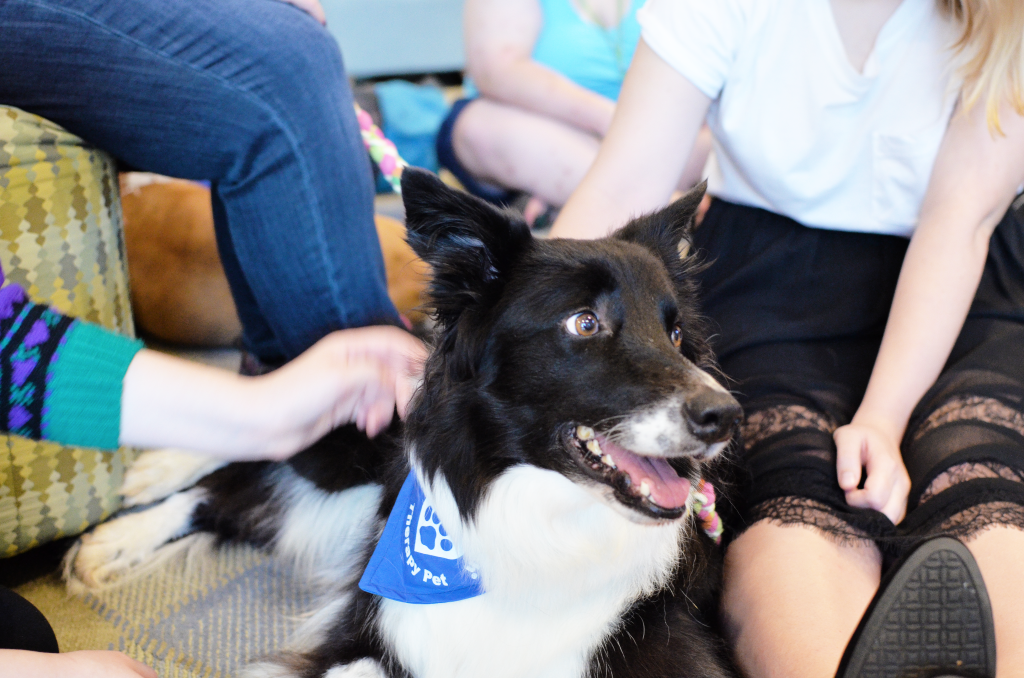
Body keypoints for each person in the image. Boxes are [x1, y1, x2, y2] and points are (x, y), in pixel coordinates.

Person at [551, 0, 1024, 675]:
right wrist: (526, 322)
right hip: (767, 289)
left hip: (963, 295)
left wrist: (882, 420)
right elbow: (625, 185)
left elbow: (959, 222)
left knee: (978, 474)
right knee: (790, 490)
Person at [436, 0, 711, 225]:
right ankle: (660, 208)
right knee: (478, 127)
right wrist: (611, 120)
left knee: (715, 136)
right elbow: (495, 72)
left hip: (652, 139)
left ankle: (568, 194)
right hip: (540, 135)